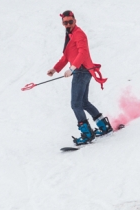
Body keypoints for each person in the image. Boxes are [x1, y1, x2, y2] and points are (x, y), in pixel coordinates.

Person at [46, 10, 111, 146]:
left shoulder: (79, 34)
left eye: (71, 21)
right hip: (82, 71)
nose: (68, 24)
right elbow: (66, 56)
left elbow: (83, 53)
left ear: (75, 21)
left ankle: (87, 134)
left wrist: (72, 68)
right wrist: (55, 69)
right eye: (65, 22)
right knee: (83, 102)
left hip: (81, 71)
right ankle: (103, 126)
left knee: (75, 104)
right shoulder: (70, 35)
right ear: (62, 23)